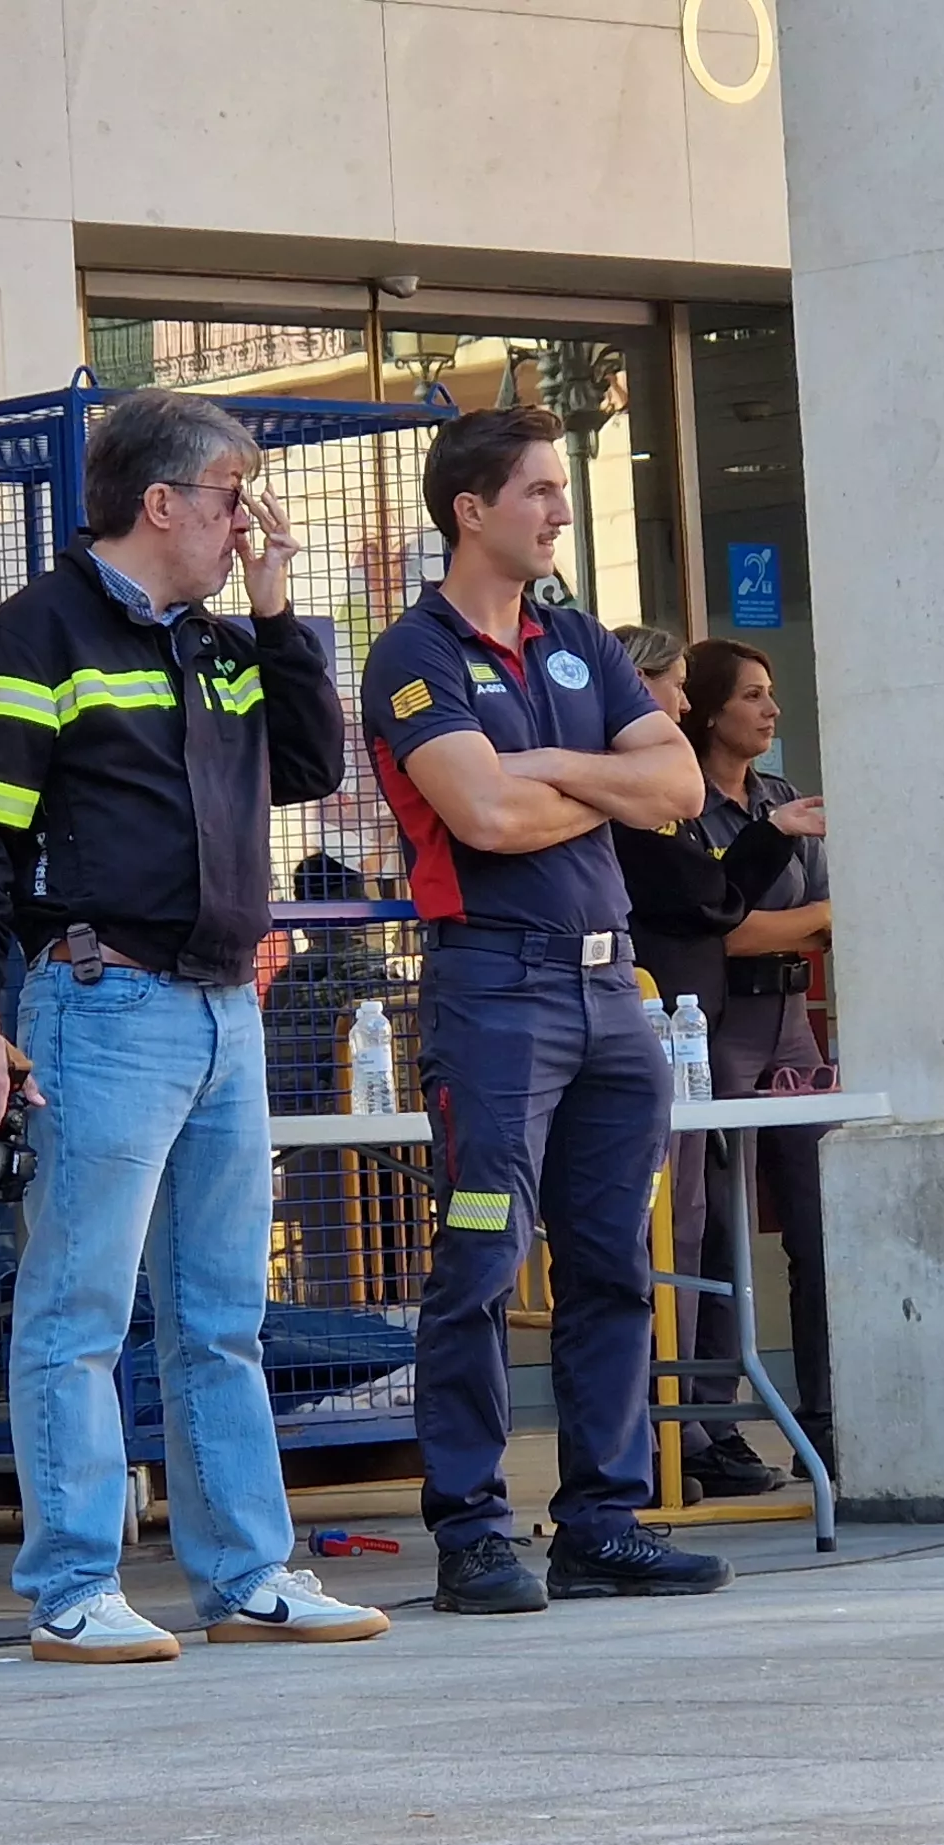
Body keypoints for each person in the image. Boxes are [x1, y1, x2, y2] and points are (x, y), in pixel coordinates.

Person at [0, 390, 391, 1665]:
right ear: (162, 501)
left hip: (225, 1003)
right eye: (235, 497)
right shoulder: (28, 641)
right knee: (78, 1311)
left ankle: (248, 1576)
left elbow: (304, 765)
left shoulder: (220, 642)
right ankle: (72, 1584)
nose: (252, 522)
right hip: (101, 1005)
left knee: (220, 1311)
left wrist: (282, 609)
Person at [360, 406, 730, 1614]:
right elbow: (483, 820)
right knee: (477, 1262)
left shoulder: (580, 641)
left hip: (611, 992)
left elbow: (677, 785)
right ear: (469, 510)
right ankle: (472, 1531)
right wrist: (600, 783)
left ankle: (601, 1522)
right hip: (495, 991)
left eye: (559, 491)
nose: (560, 510)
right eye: (538, 491)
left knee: (614, 1263)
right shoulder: (410, 655)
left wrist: (549, 768)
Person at [606, 625, 823, 1497]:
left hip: (750, 1020)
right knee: (678, 1229)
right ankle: (671, 1438)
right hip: (670, 1031)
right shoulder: (641, 799)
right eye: (676, 688)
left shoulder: (710, 801)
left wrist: (771, 842)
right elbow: (711, 906)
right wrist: (811, 908)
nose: (684, 706)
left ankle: (718, 1430)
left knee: (741, 1222)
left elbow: (718, 889)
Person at [676, 637, 837, 1486]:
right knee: (708, 1227)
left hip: (791, 1023)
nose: (771, 711)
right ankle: (710, 1424)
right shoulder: (684, 804)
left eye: (771, 694)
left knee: (818, 1219)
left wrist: (810, 921)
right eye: (751, 697)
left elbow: (830, 914)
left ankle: (830, 1412)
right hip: (717, 1021)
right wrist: (813, 919)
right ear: (706, 708)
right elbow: (724, 928)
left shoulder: (784, 798)